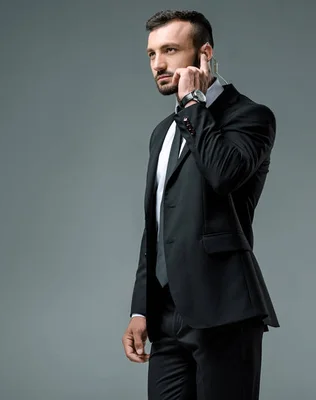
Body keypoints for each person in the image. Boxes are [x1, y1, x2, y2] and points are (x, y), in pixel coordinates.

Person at [121, 9, 280, 400]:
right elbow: (156, 227)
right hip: (166, 319)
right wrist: (141, 309)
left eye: (170, 50)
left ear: (203, 53)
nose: (158, 64)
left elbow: (224, 173)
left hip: (223, 309)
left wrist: (193, 102)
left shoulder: (251, 117)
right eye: (151, 54)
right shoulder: (162, 133)